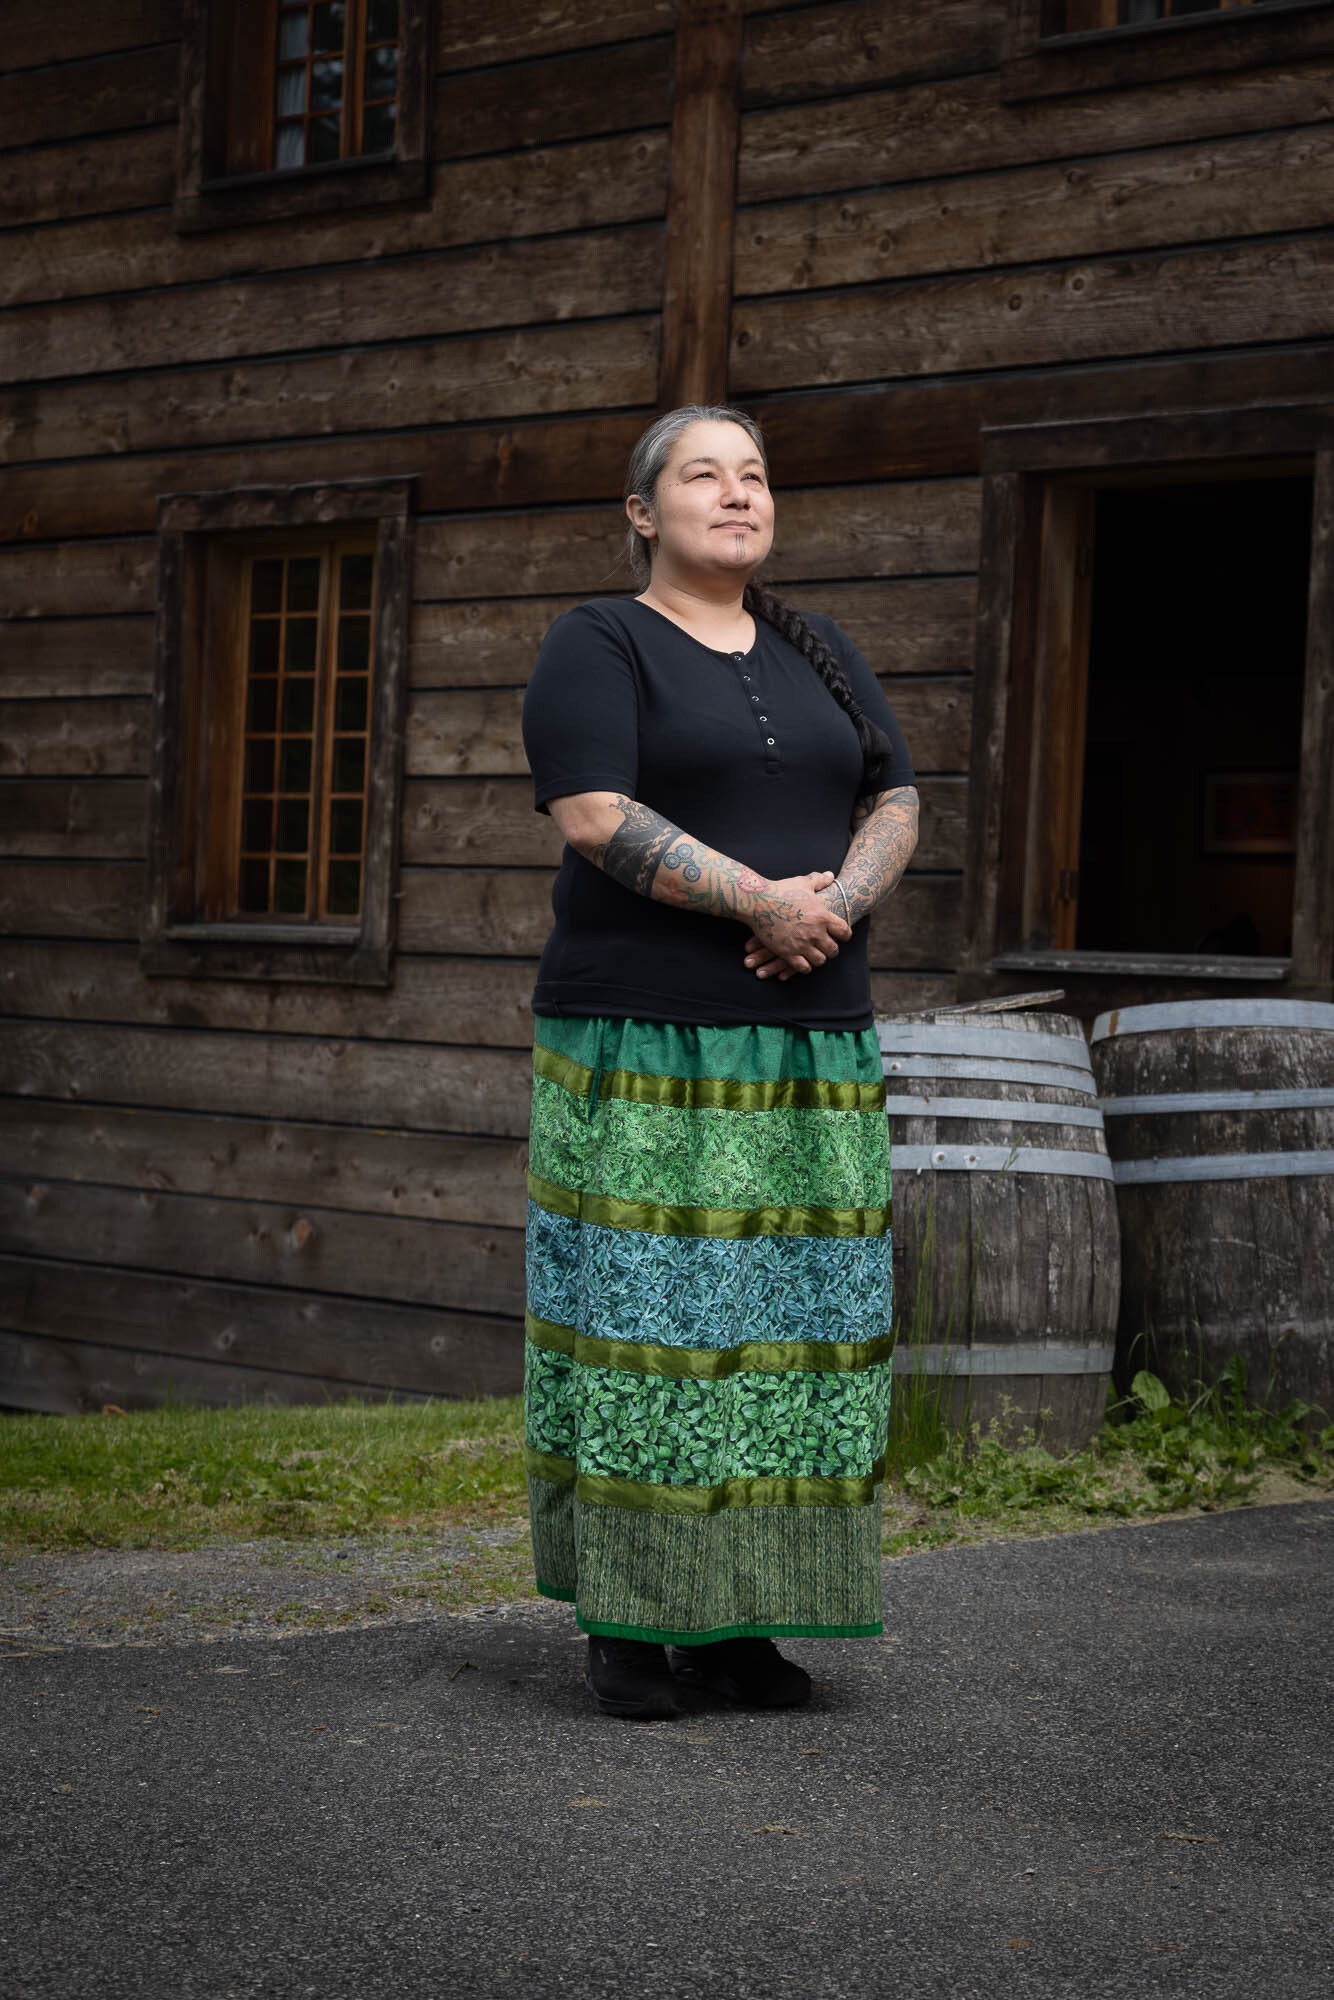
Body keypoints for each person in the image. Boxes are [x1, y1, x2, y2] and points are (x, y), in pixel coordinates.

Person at [519, 404, 919, 1719]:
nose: (738, 495)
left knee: (793, 1334)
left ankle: (743, 1619)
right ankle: (633, 1624)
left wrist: (832, 911)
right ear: (643, 512)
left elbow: (894, 797)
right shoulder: (600, 641)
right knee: (654, 1330)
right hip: (650, 1035)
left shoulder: (817, 645)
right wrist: (757, 899)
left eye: (753, 475)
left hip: (811, 1036)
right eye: (704, 475)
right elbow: (593, 814)